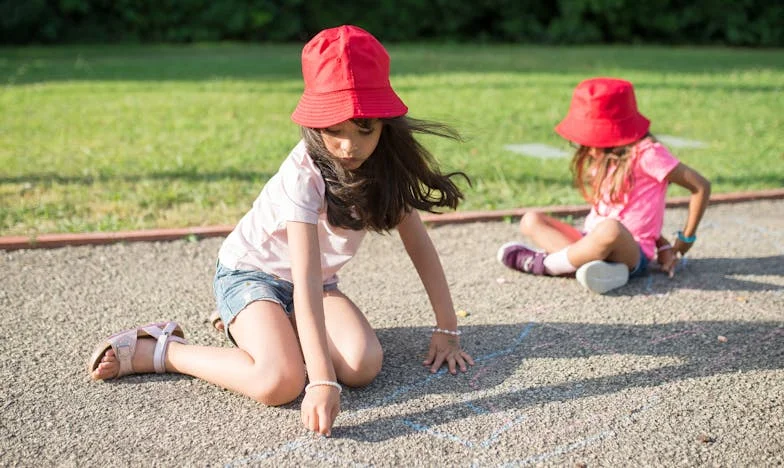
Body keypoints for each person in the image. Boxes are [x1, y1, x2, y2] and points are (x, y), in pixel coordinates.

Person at [88, 25, 474, 437]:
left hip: (317, 284)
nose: (349, 146)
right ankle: (162, 351)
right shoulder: (303, 175)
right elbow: (303, 280)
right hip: (250, 276)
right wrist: (322, 382)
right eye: (334, 130)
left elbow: (419, 246)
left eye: (365, 129)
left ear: (385, 123)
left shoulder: (385, 166)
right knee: (281, 382)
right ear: (314, 123)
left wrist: (447, 328)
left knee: (362, 366)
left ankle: (264, 327)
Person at [497, 77, 711, 294]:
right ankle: (597, 269)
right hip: (590, 239)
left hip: (631, 250)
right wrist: (662, 242)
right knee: (531, 220)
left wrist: (685, 239)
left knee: (611, 229)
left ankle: (547, 265)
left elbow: (701, 186)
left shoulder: (649, 154)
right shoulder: (604, 156)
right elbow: (641, 211)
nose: (587, 146)